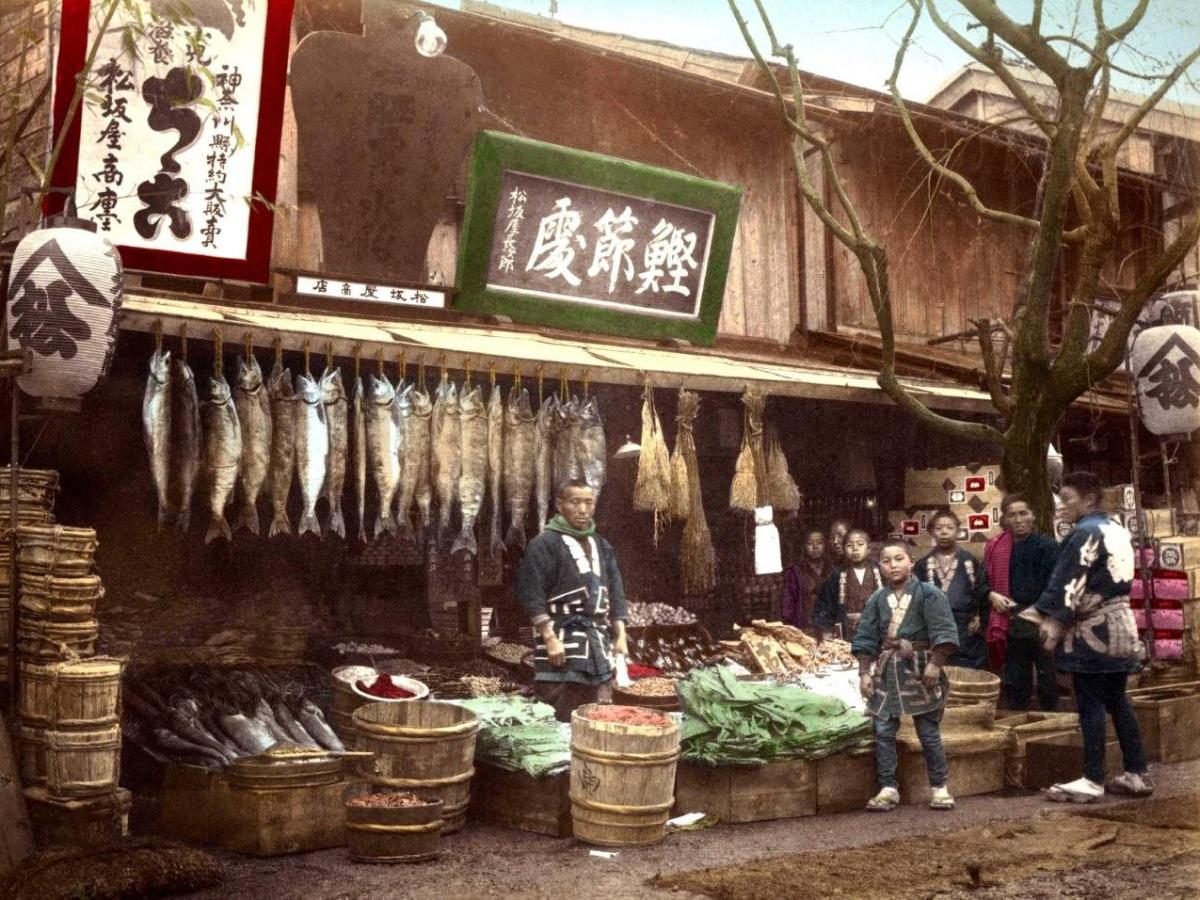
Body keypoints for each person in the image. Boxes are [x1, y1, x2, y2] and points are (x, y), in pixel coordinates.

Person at [1022, 471, 1151, 802]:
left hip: (1095, 629)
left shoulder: (1085, 533)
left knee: (1090, 701)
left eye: (1066, 499)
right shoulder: (1117, 529)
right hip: (1121, 622)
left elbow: (1070, 580)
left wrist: (1051, 620)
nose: (1061, 506)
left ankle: (1093, 778)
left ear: (1089, 500)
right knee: (1117, 700)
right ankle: (1137, 773)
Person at [853, 539, 960, 811]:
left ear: (912, 561)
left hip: (921, 667)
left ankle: (939, 787)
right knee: (884, 729)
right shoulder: (877, 599)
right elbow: (865, 637)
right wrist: (865, 672)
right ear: (880, 567)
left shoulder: (929, 593)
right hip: (888, 669)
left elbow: (944, 630)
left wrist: (936, 664)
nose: (893, 565)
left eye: (899, 559)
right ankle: (888, 787)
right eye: (886, 561)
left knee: (928, 731)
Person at [515, 479, 629, 723]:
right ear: (560, 505)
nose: (583, 509)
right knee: (558, 716)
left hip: (596, 645)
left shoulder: (601, 545)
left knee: (592, 718)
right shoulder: (543, 544)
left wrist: (620, 634)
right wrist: (549, 638)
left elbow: (616, 591)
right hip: (561, 645)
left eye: (589, 502)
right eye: (575, 502)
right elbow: (531, 593)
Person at [984, 494, 1060, 710]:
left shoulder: (1047, 546)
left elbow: (1056, 586)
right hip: (1010, 621)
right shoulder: (996, 548)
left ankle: (1050, 730)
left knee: (1047, 682)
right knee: (1017, 683)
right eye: (1012, 515)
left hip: (1041, 620)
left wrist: (1042, 613)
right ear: (1005, 519)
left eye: (1023, 513)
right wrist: (991, 595)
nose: (1018, 520)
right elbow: (982, 585)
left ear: (1033, 516)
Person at [914, 510, 993, 669]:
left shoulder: (969, 560)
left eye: (949, 528)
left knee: (965, 666)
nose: (944, 532)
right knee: (938, 665)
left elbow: (980, 590)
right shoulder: (922, 564)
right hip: (934, 623)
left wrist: (978, 616)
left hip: (965, 622)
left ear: (957, 531)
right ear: (931, 532)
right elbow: (917, 596)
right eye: (939, 528)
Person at [815, 528, 881, 640]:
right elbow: (826, 604)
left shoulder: (880, 571)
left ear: (869, 548)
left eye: (860, 544)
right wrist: (826, 630)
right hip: (845, 631)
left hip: (875, 629)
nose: (855, 549)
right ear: (844, 550)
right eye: (849, 546)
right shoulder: (836, 574)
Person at [781, 528, 831, 634]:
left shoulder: (832, 569)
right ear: (804, 546)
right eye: (810, 543)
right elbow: (788, 602)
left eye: (819, 543)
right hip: (804, 625)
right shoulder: (795, 572)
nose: (815, 547)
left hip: (828, 625)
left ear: (825, 545)